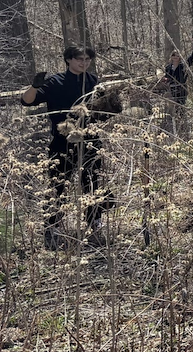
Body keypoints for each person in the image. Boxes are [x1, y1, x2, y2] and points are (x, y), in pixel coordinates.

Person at [20, 46, 115, 250]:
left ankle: (94, 225)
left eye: (87, 59)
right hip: (62, 143)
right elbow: (26, 101)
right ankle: (52, 228)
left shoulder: (93, 82)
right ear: (68, 60)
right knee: (58, 185)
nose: (84, 63)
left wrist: (112, 106)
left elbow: (103, 111)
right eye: (79, 59)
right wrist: (35, 86)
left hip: (90, 141)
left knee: (91, 184)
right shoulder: (56, 82)